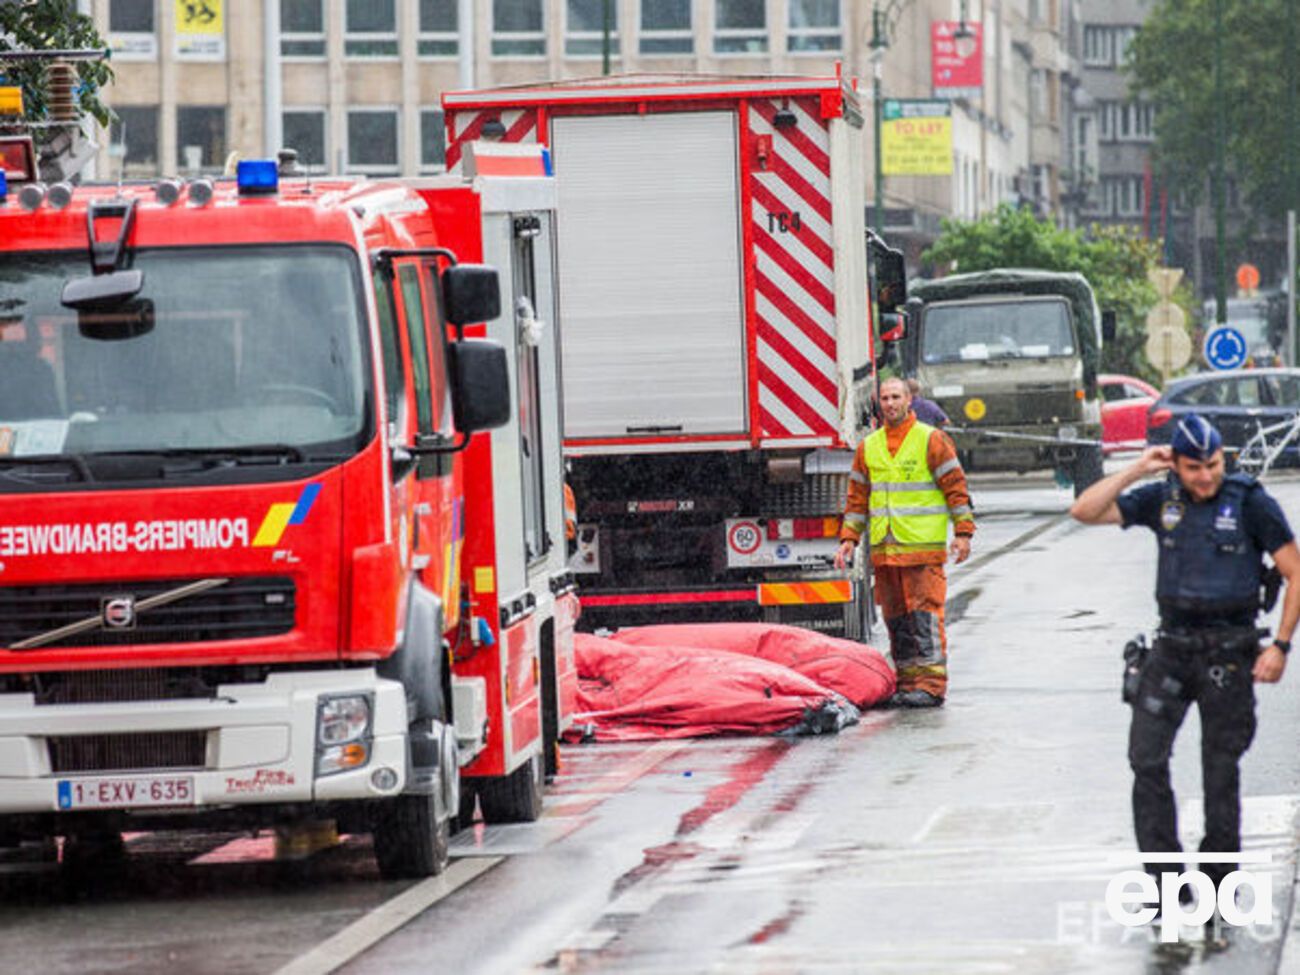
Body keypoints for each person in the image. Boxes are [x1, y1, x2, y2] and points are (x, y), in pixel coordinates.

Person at [1070, 414, 1297, 909]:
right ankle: (1166, 881)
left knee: (1220, 769)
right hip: (1171, 649)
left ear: (1223, 458)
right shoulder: (1163, 499)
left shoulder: (1249, 501)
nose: (1204, 477)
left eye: (1212, 465)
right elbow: (1084, 511)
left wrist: (1280, 645)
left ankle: (1218, 883)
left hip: (1230, 651)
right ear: (1175, 463)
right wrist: (1137, 470)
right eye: (1193, 467)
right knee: (1145, 759)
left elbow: (1294, 570)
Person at [835, 377, 975, 707]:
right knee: (896, 619)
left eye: (896, 397)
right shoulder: (868, 446)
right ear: (878, 403)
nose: (890, 403)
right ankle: (907, 682)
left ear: (909, 400)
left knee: (924, 617)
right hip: (886, 553)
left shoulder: (932, 440)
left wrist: (963, 533)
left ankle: (930, 686)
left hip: (921, 549)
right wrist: (849, 539)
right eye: (884, 398)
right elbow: (857, 499)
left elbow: (956, 489)